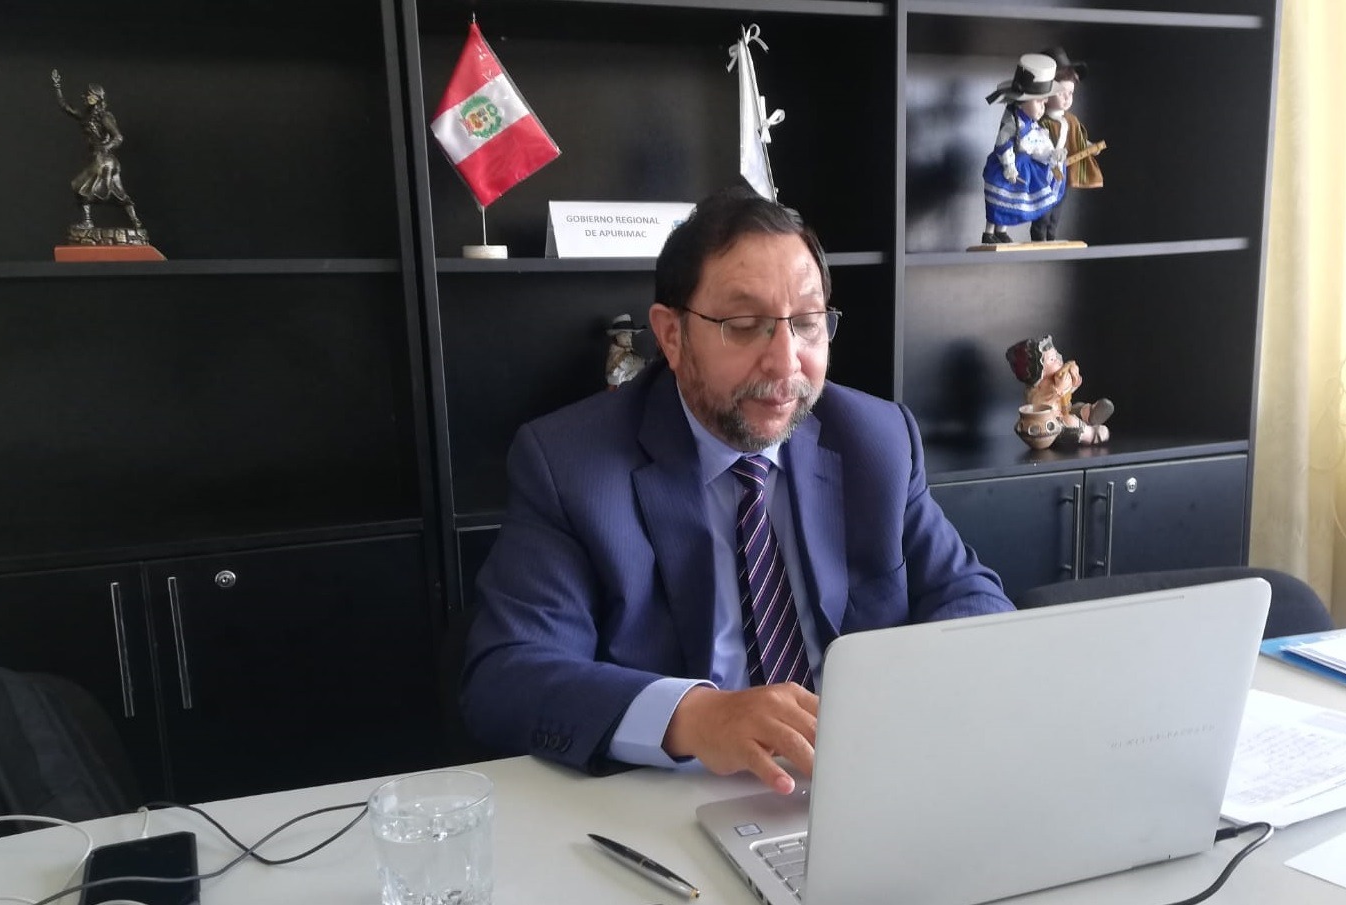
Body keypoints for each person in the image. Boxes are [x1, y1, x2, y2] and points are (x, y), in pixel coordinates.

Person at [461, 187, 1012, 793]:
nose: (786, 363)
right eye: (745, 327)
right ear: (672, 336)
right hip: (673, 797)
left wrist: (906, 701)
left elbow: (971, 598)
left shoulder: (875, 439)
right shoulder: (571, 465)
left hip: (863, 781)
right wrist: (692, 716)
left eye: (807, 324)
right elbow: (507, 676)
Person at [981, 53, 1065, 245]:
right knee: (998, 202)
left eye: (1044, 103)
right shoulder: (1012, 121)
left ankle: (1001, 231)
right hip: (1005, 165)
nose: (1043, 108)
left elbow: (1038, 146)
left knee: (1010, 204)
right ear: (1023, 100)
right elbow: (1002, 144)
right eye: (1039, 102)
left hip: (1022, 166)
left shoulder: (1032, 125)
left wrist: (1051, 154)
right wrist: (1009, 167)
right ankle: (989, 232)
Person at [51, 70, 143, 231]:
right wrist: (57, 86)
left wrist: (104, 148)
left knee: (79, 185)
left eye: (89, 95)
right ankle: (135, 220)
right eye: (87, 95)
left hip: (103, 160)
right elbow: (66, 107)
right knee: (117, 191)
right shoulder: (86, 116)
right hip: (102, 160)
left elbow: (118, 137)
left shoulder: (104, 117)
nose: (86, 97)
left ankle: (88, 221)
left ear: (97, 98)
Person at [1031, 47, 1104, 243]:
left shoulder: (1069, 121)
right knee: (1043, 208)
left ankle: (1051, 236)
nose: (1067, 98)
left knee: (1057, 207)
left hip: (1061, 172)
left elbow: (1076, 139)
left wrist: (1088, 146)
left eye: (1070, 93)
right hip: (1043, 172)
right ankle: (1039, 236)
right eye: (1061, 93)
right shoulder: (1039, 121)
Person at [1005, 335, 1113, 444]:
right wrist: (1058, 389)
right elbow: (1041, 407)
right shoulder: (1035, 391)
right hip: (1050, 425)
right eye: (1052, 359)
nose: (1058, 360)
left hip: (1064, 411)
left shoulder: (1057, 378)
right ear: (1039, 372)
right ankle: (1092, 435)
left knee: (1078, 407)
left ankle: (1090, 414)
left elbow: (1068, 393)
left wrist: (1074, 382)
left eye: (1056, 355)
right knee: (1069, 421)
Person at [604, 314, 647, 390]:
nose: (628, 339)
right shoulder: (616, 358)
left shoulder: (632, 353)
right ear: (616, 337)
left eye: (630, 336)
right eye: (624, 336)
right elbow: (615, 383)